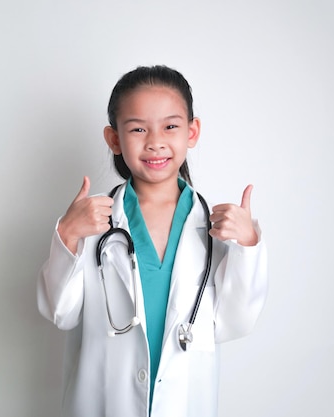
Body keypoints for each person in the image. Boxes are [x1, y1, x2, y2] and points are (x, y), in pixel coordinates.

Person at [37, 65, 268, 417]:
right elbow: (60, 312)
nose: (155, 141)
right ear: (114, 139)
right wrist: (67, 234)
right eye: (138, 129)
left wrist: (248, 245)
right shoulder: (94, 223)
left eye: (170, 126)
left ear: (192, 132)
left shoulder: (215, 229)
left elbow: (236, 322)